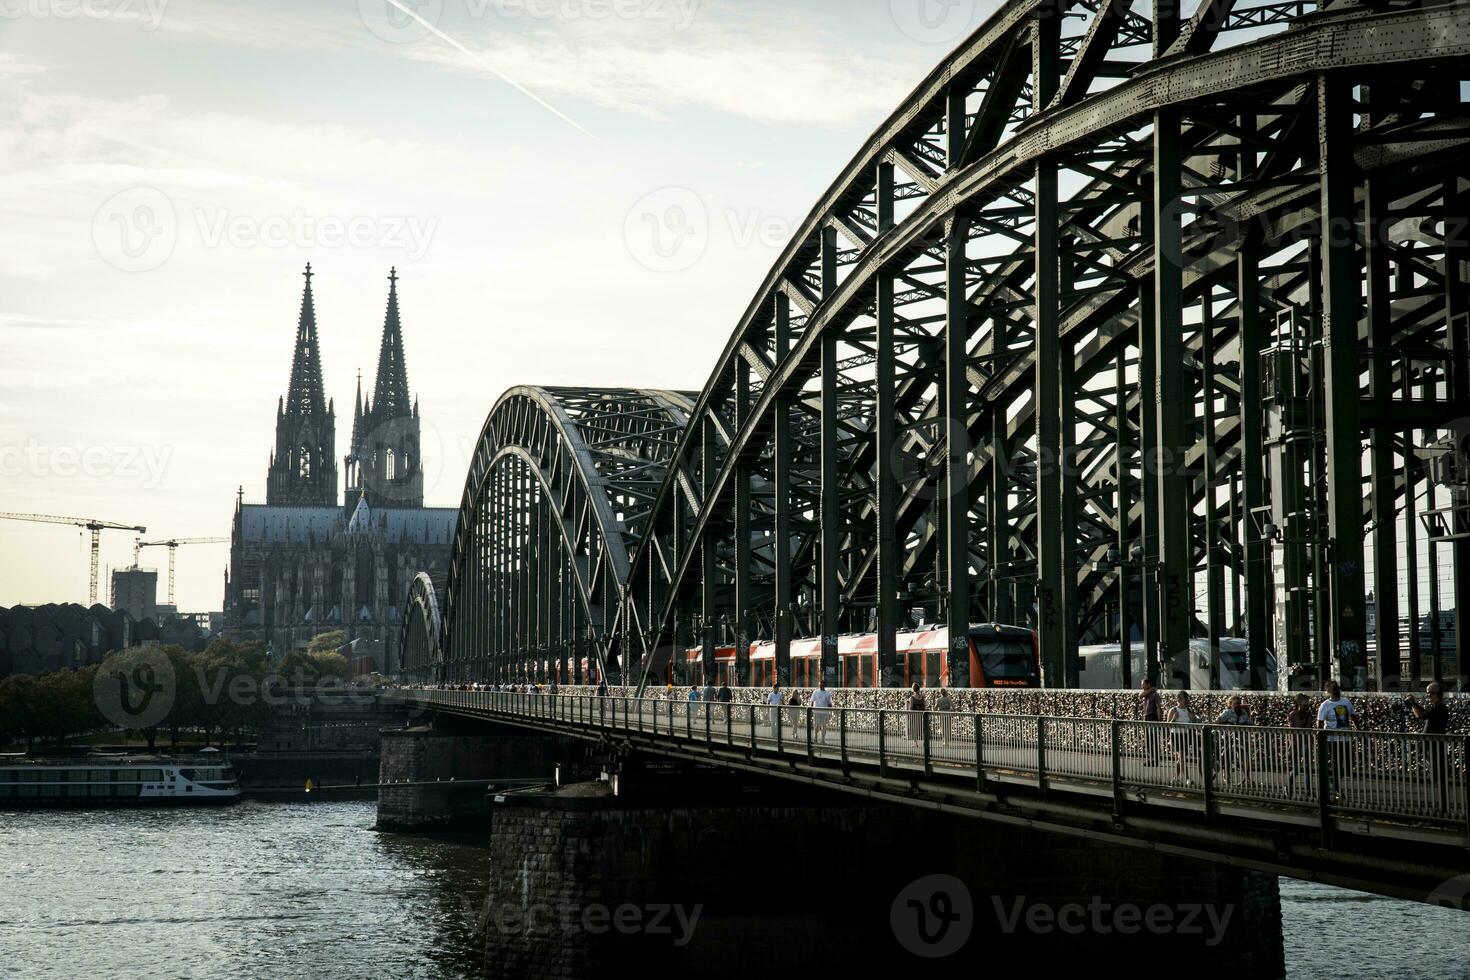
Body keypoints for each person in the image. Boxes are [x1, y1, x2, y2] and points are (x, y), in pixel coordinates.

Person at [1408, 682, 1451, 809]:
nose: (1428, 695)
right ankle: (1442, 804)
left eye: (1431, 693)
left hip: (1434, 746)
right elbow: (1422, 714)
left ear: (1438, 694)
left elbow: (1421, 715)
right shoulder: (1436, 708)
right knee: (1437, 774)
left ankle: (1443, 805)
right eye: (1427, 693)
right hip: (1431, 745)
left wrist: (1413, 703)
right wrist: (1414, 704)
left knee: (1438, 775)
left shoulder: (1440, 708)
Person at [1316, 680, 1359, 798]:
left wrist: (1359, 730)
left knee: (1349, 764)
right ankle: (1337, 789)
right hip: (1332, 739)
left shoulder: (1346, 701)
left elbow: (1354, 716)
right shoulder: (1325, 705)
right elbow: (1320, 723)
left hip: (1346, 738)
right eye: (1334, 689)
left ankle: (1333, 779)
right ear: (1328, 691)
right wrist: (1321, 737)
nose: (1337, 691)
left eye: (1337, 689)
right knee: (1337, 764)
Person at [1163, 691, 1201, 786]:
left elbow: (1195, 722)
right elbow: (1168, 725)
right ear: (1179, 700)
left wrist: (1192, 718)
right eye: (1185, 699)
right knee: (1182, 757)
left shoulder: (1189, 710)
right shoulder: (1173, 710)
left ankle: (1175, 778)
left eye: (1188, 699)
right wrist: (1173, 719)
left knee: (1181, 758)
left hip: (1186, 735)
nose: (1187, 701)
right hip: (1176, 735)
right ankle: (1188, 778)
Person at [1215, 695, 1253, 787]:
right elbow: (1217, 721)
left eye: (1239, 703)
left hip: (1242, 738)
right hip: (1229, 738)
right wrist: (1223, 722)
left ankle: (1247, 778)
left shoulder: (1243, 712)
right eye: (1235, 704)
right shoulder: (1227, 712)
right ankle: (1227, 777)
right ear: (1230, 704)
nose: (1238, 705)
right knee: (1228, 757)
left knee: (1245, 759)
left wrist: (1249, 721)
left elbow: (1249, 722)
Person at [1141, 678, 1163, 767]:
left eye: (1143, 684)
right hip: (1147, 718)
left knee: (1153, 739)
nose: (1142, 686)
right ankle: (1152, 759)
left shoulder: (1155, 695)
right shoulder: (1146, 694)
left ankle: (1155, 759)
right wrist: (1150, 689)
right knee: (1148, 740)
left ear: (1148, 684)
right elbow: (1140, 695)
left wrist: (1159, 720)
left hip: (1153, 717)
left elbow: (1158, 707)